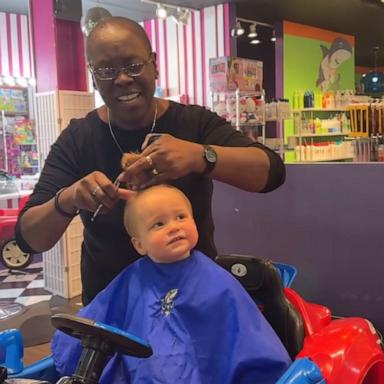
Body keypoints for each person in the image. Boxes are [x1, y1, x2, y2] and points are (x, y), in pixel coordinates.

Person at [15, 16, 286, 305]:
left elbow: (271, 172)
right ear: (93, 76)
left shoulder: (194, 123)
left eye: (133, 65)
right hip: (114, 311)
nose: (122, 79)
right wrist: (67, 199)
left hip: (193, 301)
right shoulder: (78, 139)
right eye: (106, 70)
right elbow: (29, 239)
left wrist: (200, 156)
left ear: (154, 65)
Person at [52, 185, 291, 383]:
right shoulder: (132, 278)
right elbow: (93, 321)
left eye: (181, 217)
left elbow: (246, 339)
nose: (174, 227)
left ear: (195, 223)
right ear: (139, 244)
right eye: (159, 224)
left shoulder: (216, 281)